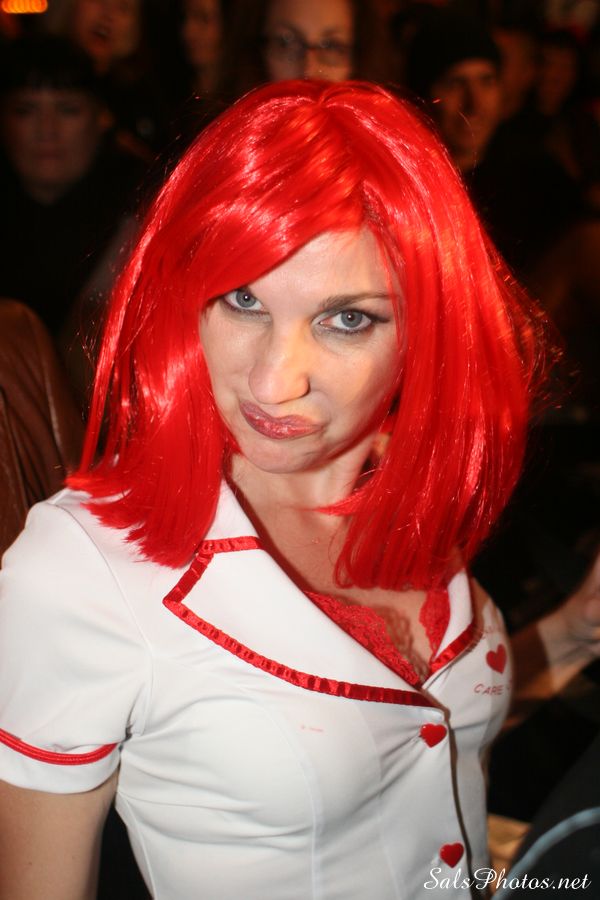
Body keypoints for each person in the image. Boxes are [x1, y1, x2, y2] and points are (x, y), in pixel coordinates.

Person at [0, 80, 598, 900]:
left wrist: (572, 634)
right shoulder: (79, 569)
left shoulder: (400, 481)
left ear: (428, 324)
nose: (276, 382)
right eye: (243, 300)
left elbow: (420, 734)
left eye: (347, 318)